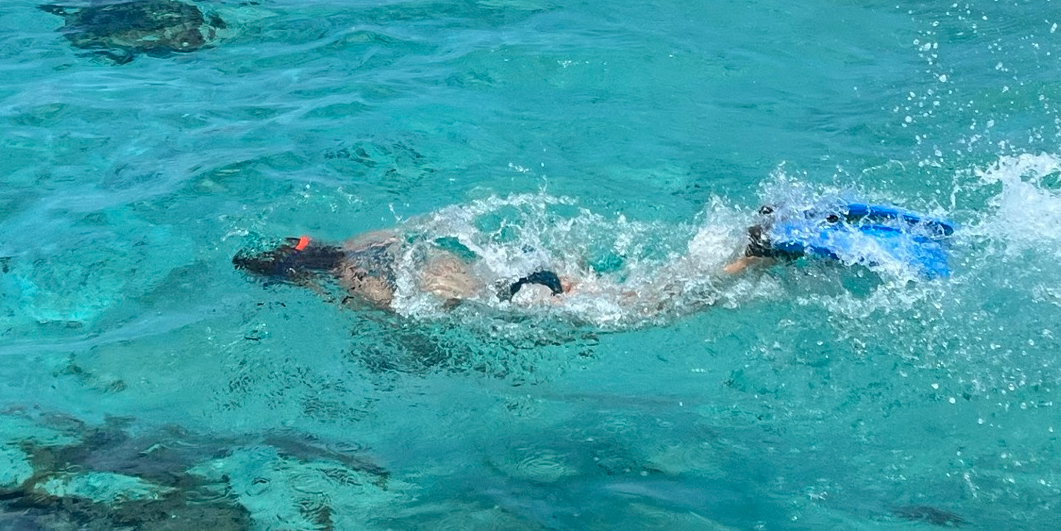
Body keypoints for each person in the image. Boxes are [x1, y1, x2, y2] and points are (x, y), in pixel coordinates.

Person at [232, 197, 953, 319]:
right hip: (515, 271)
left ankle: (757, 252)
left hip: (513, 300)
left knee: (648, 308)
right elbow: (438, 224)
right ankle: (759, 231)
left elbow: (420, 315)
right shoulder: (369, 240)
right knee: (638, 284)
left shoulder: (352, 280)